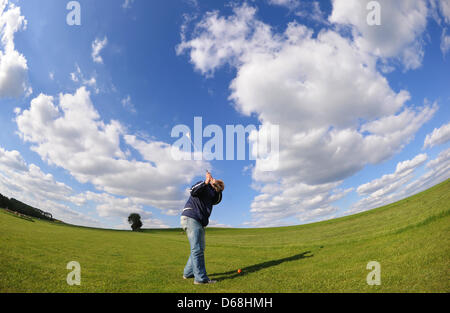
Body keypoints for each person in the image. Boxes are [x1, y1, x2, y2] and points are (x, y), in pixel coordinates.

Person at [180, 171, 225, 285]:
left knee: (199, 248)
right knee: (197, 249)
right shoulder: (202, 186)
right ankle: (200, 279)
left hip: (199, 221)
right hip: (191, 217)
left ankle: (188, 273)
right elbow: (192, 191)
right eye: (217, 185)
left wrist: (217, 187)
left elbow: (218, 200)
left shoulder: (213, 195)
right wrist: (206, 182)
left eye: (219, 187)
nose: (217, 187)